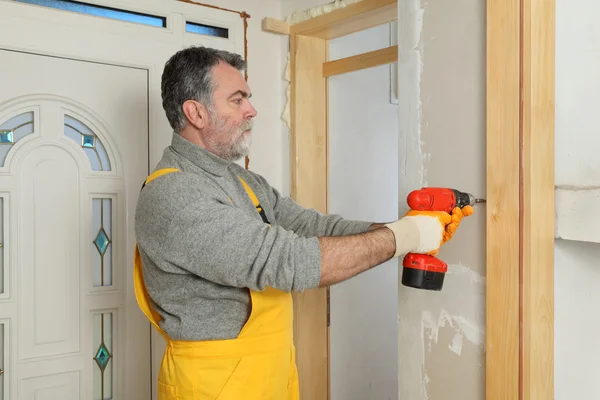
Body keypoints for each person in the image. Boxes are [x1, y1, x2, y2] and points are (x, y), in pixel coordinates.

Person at [133, 46, 473, 400]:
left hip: (270, 373)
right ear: (196, 113)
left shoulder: (243, 180)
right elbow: (290, 261)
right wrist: (405, 236)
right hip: (211, 386)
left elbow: (313, 227)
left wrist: (407, 228)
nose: (252, 110)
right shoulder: (172, 194)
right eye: (238, 100)